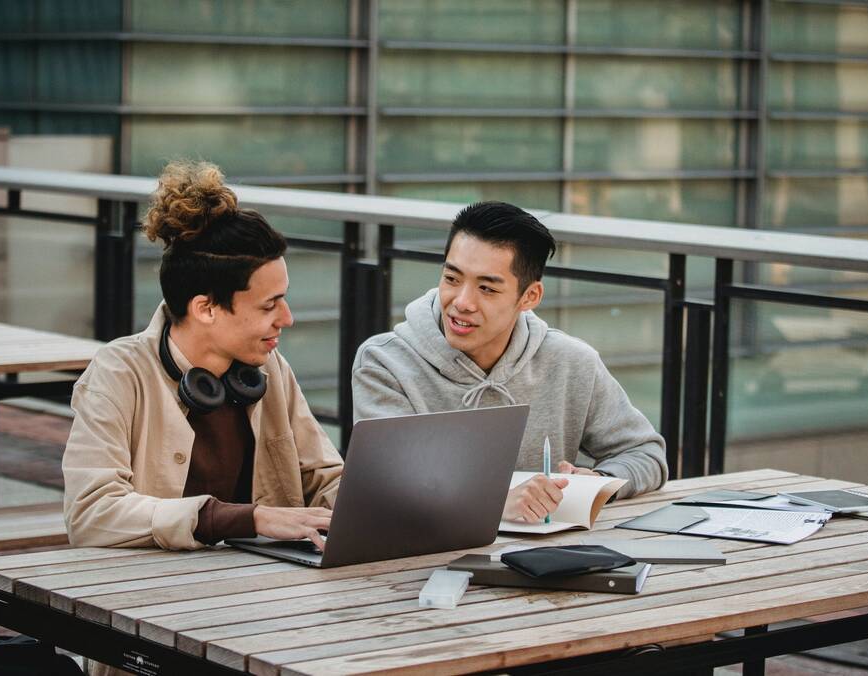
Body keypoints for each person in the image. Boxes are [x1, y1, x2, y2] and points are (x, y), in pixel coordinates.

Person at [63, 160, 342, 557]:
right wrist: (247, 518)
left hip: (265, 591)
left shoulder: (269, 368)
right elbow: (90, 513)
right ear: (205, 308)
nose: (288, 318)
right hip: (147, 595)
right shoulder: (119, 372)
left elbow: (325, 478)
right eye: (269, 306)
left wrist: (379, 504)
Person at [352, 201, 667, 523]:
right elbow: (387, 489)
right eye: (451, 278)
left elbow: (646, 454)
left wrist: (596, 483)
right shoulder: (385, 363)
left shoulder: (571, 362)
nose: (462, 302)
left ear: (529, 297)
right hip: (422, 562)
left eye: (486, 288)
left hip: (546, 561)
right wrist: (496, 504)